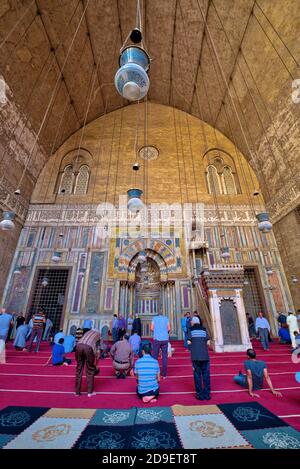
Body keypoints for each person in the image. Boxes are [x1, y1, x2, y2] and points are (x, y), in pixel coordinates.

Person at [187, 315, 211, 401]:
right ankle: (207, 394)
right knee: (206, 375)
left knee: (197, 375)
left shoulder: (191, 330)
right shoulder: (204, 330)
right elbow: (208, 343)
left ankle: (199, 394)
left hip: (195, 356)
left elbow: (189, 342)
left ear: (193, 322)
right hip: (205, 356)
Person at [75, 329, 100, 397]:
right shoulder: (99, 335)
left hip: (78, 346)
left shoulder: (87, 332)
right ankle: (90, 392)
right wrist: (96, 365)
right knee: (90, 370)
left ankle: (77, 392)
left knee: (79, 369)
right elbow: (98, 352)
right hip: (88, 348)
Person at [151, 312, 170, 378]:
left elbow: (152, 328)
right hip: (165, 339)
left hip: (157, 339)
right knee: (164, 357)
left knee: (155, 357)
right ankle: (164, 374)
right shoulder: (166, 318)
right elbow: (169, 329)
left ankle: (154, 373)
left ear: (157, 314)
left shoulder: (154, 318)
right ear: (162, 314)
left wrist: (156, 332)